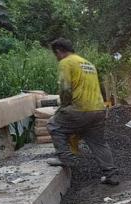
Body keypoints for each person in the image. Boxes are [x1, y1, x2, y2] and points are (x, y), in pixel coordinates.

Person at [46, 38, 118, 185]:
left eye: (56, 54)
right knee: (98, 142)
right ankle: (110, 174)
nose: (56, 57)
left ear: (58, 51)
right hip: (98, 109)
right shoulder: (88, 64)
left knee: (54, 125)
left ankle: (66, 158)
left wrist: (64, 106)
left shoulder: (66, 62)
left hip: (80, 108)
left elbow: (65, 88)